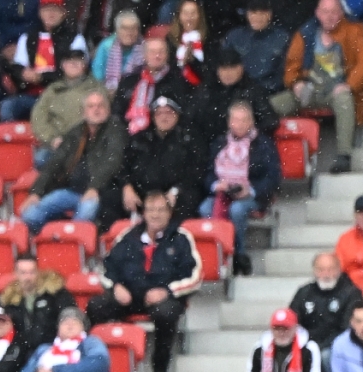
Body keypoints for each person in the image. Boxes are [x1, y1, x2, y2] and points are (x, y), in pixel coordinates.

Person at [89, 191, 200, 372]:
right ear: (144, 213)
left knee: (165, 313)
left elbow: (194, 276)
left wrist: (167, 291)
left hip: (164, 298)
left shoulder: (182, 238)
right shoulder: (128, 237)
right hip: (129, 297)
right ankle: (101, 366)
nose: (155, 215)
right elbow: (106, 268)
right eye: (151, 210)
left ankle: (160, 369)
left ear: (169, 213)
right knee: (96, 306)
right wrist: (116, 286)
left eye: (160, 210)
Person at [275, 0, 363, 175]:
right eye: (325, 12)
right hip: (309, 91)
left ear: (341, 13)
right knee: (271, 106)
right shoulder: (305, 34)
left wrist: (349, 85)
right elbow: (291, 66)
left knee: (344, 100)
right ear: (317, 13)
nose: (329, 17)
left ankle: (344, 155)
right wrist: (295, 83)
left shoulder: (355, 31)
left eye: (334, 12)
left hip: (336, 92)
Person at [20, 90, 126, 233]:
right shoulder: (76, 132)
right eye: (91, 106)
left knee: (86, 213)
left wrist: (94, 187)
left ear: (108, 110)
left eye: (100, 106)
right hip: (71, 191)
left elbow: (112, 161)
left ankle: (71, 240)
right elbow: (54, 163)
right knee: (29, 215)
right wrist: (36, 192)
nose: (96, 110)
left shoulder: (116, 129)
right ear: (83, 113)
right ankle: (57, 236)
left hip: (100, 193)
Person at [200, 101, 280, 278]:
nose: (240, 124)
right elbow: (207, 173)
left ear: (251, 122)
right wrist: (216, 185)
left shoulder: (263, 144)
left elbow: (273, 177)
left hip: (252, 194)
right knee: (205, 208)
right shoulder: (219, 143)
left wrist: (250, 190)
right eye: (236, 120)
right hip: (223, 193)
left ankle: (238, 254)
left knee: (237, 209)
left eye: (244, 120)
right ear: (229, 122)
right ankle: (218, 253)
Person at [120, 96, 200, 222]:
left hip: (174, 193)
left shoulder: (188, 139)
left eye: (169, 112)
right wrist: (127, 187)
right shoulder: (140, 139)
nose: (164, 117)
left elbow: (195, 172)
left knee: (188, 199)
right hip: (141, 193)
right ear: (153, 117)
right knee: (111, 198)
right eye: (159, 113)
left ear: (177, 115)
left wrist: (175, 191)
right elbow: (123, 167)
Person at [189, 46, 280, 146]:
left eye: (232, 68)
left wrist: (245, 131)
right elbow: (191, 119)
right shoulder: (206, 90)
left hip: (246, 146)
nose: (228, 73)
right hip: (209, 146)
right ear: (217, 70)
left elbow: (270, 121)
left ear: (241, 68)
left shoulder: (253, 91)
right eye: (224, 68)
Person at [288, 252, 363, 368]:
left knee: (325, 355)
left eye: (331, 269)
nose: (326, 274)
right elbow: (292, 320)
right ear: (314, 271)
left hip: (335, 346)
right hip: (308, 343)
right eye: (321, 270)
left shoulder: (351, 293)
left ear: (339, 270)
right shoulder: (304, 292)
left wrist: (319, 347)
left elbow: (347, 329)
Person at [28, 46, 103, 164]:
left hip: (87, 144)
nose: (73, 64)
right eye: (69, 61)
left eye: (78, 60)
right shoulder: (53, 90)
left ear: (84, 65)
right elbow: (38, 117)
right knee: (41, 160)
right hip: (57, 143)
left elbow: (103, 116)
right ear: (63, 65)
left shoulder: (96, 88)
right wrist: (52, 138)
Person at [0, 256, 75, 361]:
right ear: (15, 274)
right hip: (20, 353)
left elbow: (71, 317)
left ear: (38, 272)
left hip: (51, 349)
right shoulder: (9, 300)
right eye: (23, 273)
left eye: (32, 272)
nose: (28, 277)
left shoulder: (55, 294)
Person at [113, 34, 188, 134]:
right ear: (144, 55)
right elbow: (117, 111)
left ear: (167, 55)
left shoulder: (177, 81)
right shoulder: (130, 80)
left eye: (161, 52)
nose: (157, 56)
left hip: (161, 135)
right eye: (152, 52)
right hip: (129, 133)